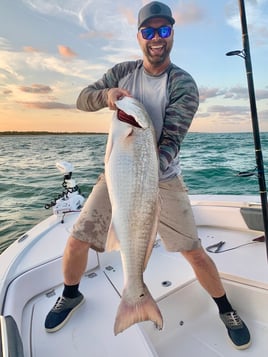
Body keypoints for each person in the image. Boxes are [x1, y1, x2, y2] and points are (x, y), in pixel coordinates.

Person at [45, 1, 251, 350]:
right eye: (149, 31)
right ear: (139, 35)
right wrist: (107, 95)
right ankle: (70, 294)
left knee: (193, 250)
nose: (157, 39)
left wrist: (143, 178)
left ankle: (225, 307)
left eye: (164, 31)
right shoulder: (123, 71)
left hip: (162, 177)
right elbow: (82, 100)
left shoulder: (183, 83)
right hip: (116, 174)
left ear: (172, 33)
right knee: (79, 238)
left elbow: (171, 140)